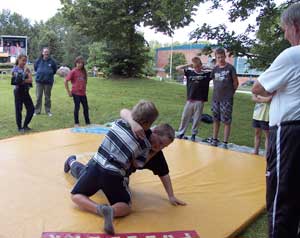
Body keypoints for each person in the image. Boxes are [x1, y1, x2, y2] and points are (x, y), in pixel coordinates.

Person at [64, 100, 159, 235]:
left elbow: (124, 112)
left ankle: (97, 209)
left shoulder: (119, 123)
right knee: (126, 206)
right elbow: (137, 164)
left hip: (95, 166)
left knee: (75, 196)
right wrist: (145, 154)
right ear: (147, 124)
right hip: (113, 175)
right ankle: (111, 211)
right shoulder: (145, 144)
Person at [252, 3, 300, 238]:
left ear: (296, 27)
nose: (284, 34)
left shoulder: (292, 55)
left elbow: (258, 87)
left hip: (290, 132)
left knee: (282, 195)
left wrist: (272, 92)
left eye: (285, 28)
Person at [175, 57, 211, 142]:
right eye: (195, 66)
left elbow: (216, 70)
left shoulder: (206, 75)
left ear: (201, 65)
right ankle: (181, 133)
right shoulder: (189, 72)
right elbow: (177, 68)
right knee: (185, 117)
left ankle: (193, 134)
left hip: (200, 100)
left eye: (198, 66)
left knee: (197, 118)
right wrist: (188, 65)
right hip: (190, 100)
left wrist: (207, 67)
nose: (197, 68)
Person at [210, 48, 239, 148]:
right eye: (218, 57)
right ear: (216, 57)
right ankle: (214, 139)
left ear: (225, 56)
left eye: (222, 57)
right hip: (215, 98)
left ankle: (225, 142)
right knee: (215, 119)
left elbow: (236, 83)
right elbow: (213, 80)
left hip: (226, 99)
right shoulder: (215, 69)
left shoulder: (230, 68)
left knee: (226, 120)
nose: (220, 59)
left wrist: (230, 94)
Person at [64, 56, 91, 127]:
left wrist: (84, 87)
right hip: (75, 93)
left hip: (83, 93)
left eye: (81, 63)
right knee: (77, 107)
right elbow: (66, 81)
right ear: (75, 63)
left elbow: (85, 81)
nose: (80, 64)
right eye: (78, 63)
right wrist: (68, 92)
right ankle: (76, 123)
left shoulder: (83, 71)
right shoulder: (73, 71)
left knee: (86, 108)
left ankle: (87, 122)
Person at [11, 54, 34, 133]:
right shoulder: (15, 69)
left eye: (25, 61)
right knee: (19, 110)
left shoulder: (26, 68)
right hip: (18, 92)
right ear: (19, 59)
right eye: (23, 60)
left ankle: (25, 125)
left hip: (25, 91)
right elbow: (17, 81)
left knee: (31, 109)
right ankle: (19, 127)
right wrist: (25, 76)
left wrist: (24, 78)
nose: (24, 62)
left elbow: (30, 80)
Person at [34, 47, 57, 116]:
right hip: (39, 82)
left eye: (47, 52)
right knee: (38, 97)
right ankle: (37, 111)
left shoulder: (52, 61)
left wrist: (48, 74)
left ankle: (48, 111)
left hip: (48, 82)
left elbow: (54, 70)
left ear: (49, 53)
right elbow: (35, 68)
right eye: (45, 52)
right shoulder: (38, 60)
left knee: (47, 97)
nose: (46, 53)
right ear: (42, 53)